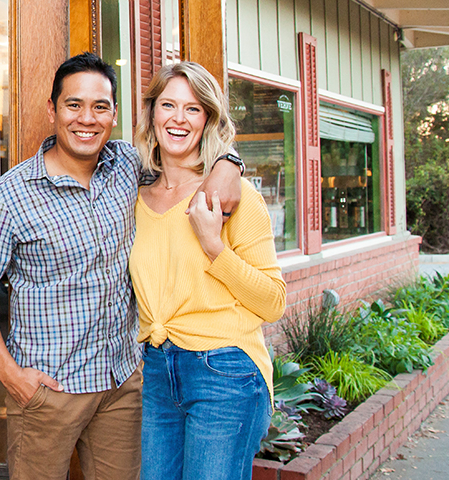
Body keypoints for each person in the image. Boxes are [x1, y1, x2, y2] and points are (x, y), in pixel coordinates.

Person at [0, 52, 244, 479]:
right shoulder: (9, 195)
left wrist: (228, 164)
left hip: (122, 384)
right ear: (52, 109)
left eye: (100, 107)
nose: (87, 119)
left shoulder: (127, 166)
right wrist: (9, 373)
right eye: (74, 105)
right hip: (49, 389)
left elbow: (190, 148)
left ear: (114, 114)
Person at [129, 61, 287, 480]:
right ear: (152, 113)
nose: (179, 119)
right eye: (168, 105)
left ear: (208, 120)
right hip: (158, 372)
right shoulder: (132, 197)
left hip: (225, 373)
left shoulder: (235, 197)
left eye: (194, 109)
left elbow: (273, 302)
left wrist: (214, 245)